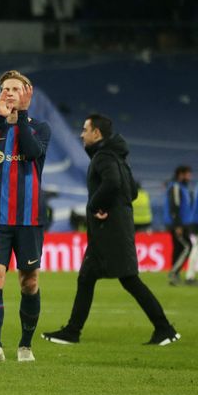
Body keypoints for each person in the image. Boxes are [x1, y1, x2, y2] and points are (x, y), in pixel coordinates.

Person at [42, 114, 180, 346]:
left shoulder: (103, 157)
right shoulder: (117, 156)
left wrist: (97, 205)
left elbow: (113, 184)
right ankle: (73, 331)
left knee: (127, 280)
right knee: (91, 278)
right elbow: (131, 192)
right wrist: (110, 204)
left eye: (85, 129)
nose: (81, 134)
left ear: (97, 133)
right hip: (115, 229)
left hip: (109, 232)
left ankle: (164, 328)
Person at [0, 70, 51, 363]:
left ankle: (25, 345)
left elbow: (31, 153)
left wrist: (21, 118)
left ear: (26, 93)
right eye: (5, 88)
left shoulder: (40, 128)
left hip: (28, 218)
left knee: (29, 281)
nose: (8, 93)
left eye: (15, 88)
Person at [164, 165, 192, 285]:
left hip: (182, 223)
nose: (189, 177)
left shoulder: (182, 187)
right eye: (187, 174)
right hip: (177, 224)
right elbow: (174, 206)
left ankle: (174, 276)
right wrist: (177, 225)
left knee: (178, 248)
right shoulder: (175, 187)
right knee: (187, 247)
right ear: (180, 174)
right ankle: (174, 273)